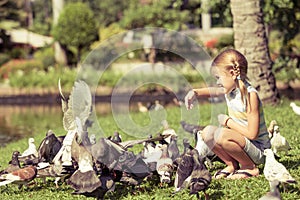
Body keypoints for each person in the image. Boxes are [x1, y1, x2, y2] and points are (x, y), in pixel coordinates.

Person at [184, 49, 270, 179]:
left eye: (218, 78)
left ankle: (249, 167)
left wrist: (228, 122)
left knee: (222, 134)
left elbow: (252, 134)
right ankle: (231, 165)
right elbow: (214, 91)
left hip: (259, 150)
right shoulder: (230, 90)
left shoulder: (250, 95)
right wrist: (195, 93)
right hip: (243, 144)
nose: (217, 82)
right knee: (207, 133)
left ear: (232, 74)